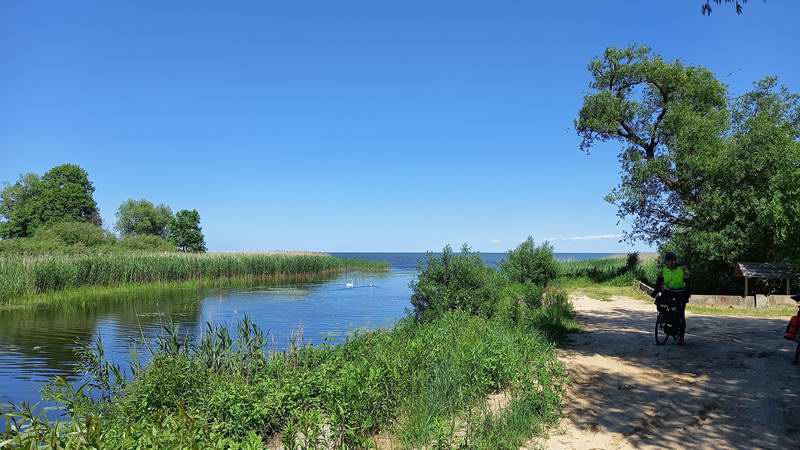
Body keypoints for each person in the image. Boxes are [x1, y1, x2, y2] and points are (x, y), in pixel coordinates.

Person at [651, 252, 690, 345]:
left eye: (672, 261)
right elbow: (659, 281)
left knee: (681, 315)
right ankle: (664, 319)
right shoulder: (663, 269)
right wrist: (655, 292)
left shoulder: (683, 269)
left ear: (675, 261)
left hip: (680, 292)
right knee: (660, 304)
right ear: (665, 262)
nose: (670, 263)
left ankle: (681, 337)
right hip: (668, 291)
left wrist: (687, 295)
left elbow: (689, 282)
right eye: (668, 262)